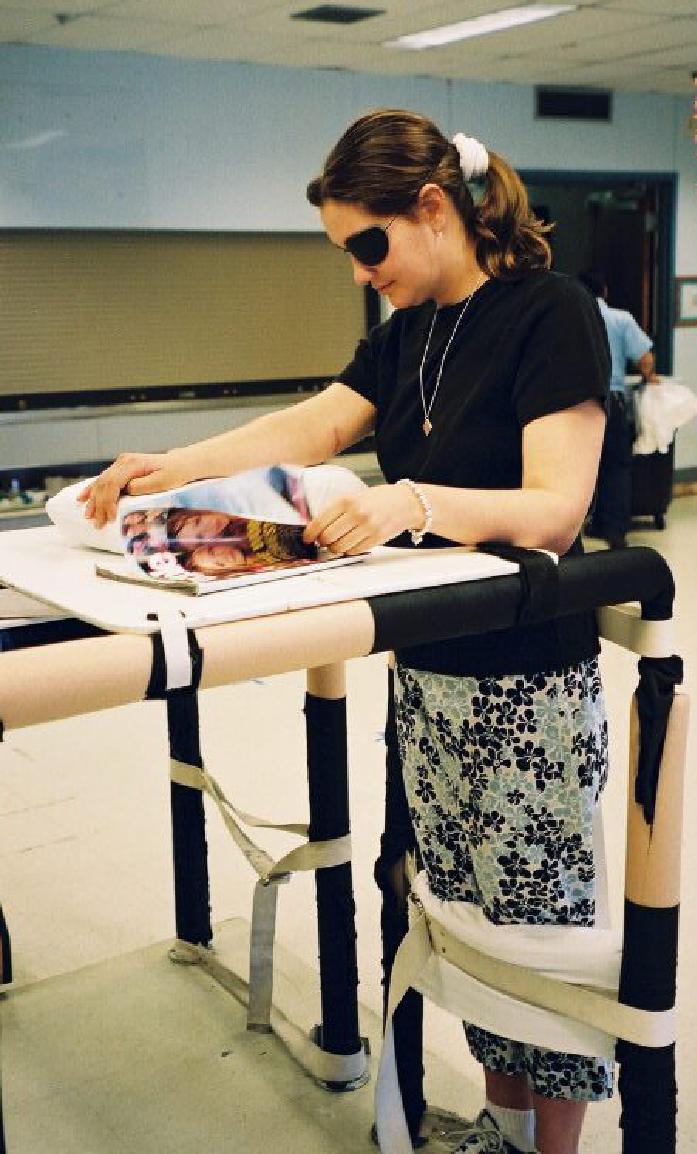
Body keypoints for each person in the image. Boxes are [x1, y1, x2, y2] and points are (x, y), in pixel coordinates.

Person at [81, 108, 611, 1154]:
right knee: (464, 919)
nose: (363, 271)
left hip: (527, 682)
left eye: (368, 245)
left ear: (431, 209)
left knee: (539, 931)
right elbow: (311, 426)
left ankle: (553, 1146)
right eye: (346, 256)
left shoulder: (551, 313)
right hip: (433, 671)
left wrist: (409, 501)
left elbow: (555, 507)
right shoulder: (406, 332)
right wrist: (171, 463)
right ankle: (504, 1131)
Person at [579, 271, 658, 550]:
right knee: (617, 465)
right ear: (605, 291)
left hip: (580, 402)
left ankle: (584, 524)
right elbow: (645, 359)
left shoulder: (573, 319)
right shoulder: (621, 319)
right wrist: (650, 377)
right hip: (613, 399)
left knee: (584, 466)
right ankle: (615, 528)